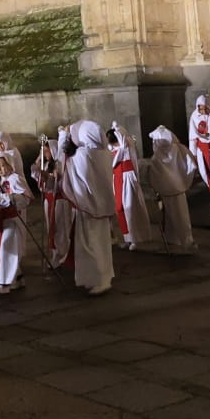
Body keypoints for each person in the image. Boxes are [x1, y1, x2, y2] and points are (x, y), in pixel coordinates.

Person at [59, 122, 116, 295]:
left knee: (89, 243)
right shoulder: (104, 153)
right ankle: (102, 277)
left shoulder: (84, 154)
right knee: (103, 243)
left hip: (88, 206)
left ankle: (98, 279)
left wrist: (63, 136)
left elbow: (63, 162)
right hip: (102, 205)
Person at [143, 128, 196, 252]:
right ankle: (174, 238)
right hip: (178, 187)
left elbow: (154, 174)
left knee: (177, 215)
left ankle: (187, 242)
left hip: (167, 189)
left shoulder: (158, 157)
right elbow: (191, 164)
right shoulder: (179, 149)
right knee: (177, 214)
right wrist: (184, 177)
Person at [0, 149, 29, 294]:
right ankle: (18, 277)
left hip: (14, 220)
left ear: (10, 165)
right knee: (9, 249)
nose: (1, 169)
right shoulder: (0, 181)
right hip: (4, 220)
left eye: (3, 165)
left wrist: (11, 199)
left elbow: (26, 199)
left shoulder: (16, 179)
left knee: (6, 248)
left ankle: (5, 284)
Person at [107, 124, 156, 250]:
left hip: (127, 178)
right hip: (117, 178)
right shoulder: (112, 148)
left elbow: (125, 142)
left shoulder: (126, 145)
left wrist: (119, 132)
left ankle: (134, 238)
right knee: (119, 208)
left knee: (130, 208)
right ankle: (126, 236)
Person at [30, 136, 72, 269]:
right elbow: (36, 174)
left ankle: (64, 254)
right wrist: (39, 158)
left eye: (47, 151)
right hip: (49, 201)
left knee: (61, 228)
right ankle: (55, 254)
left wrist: (48, 177)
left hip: (59, 201)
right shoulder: (46, 164)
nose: (45, 154)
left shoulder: (59, 165)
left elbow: (57, 183)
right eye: (43, 151)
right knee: (51, 229)